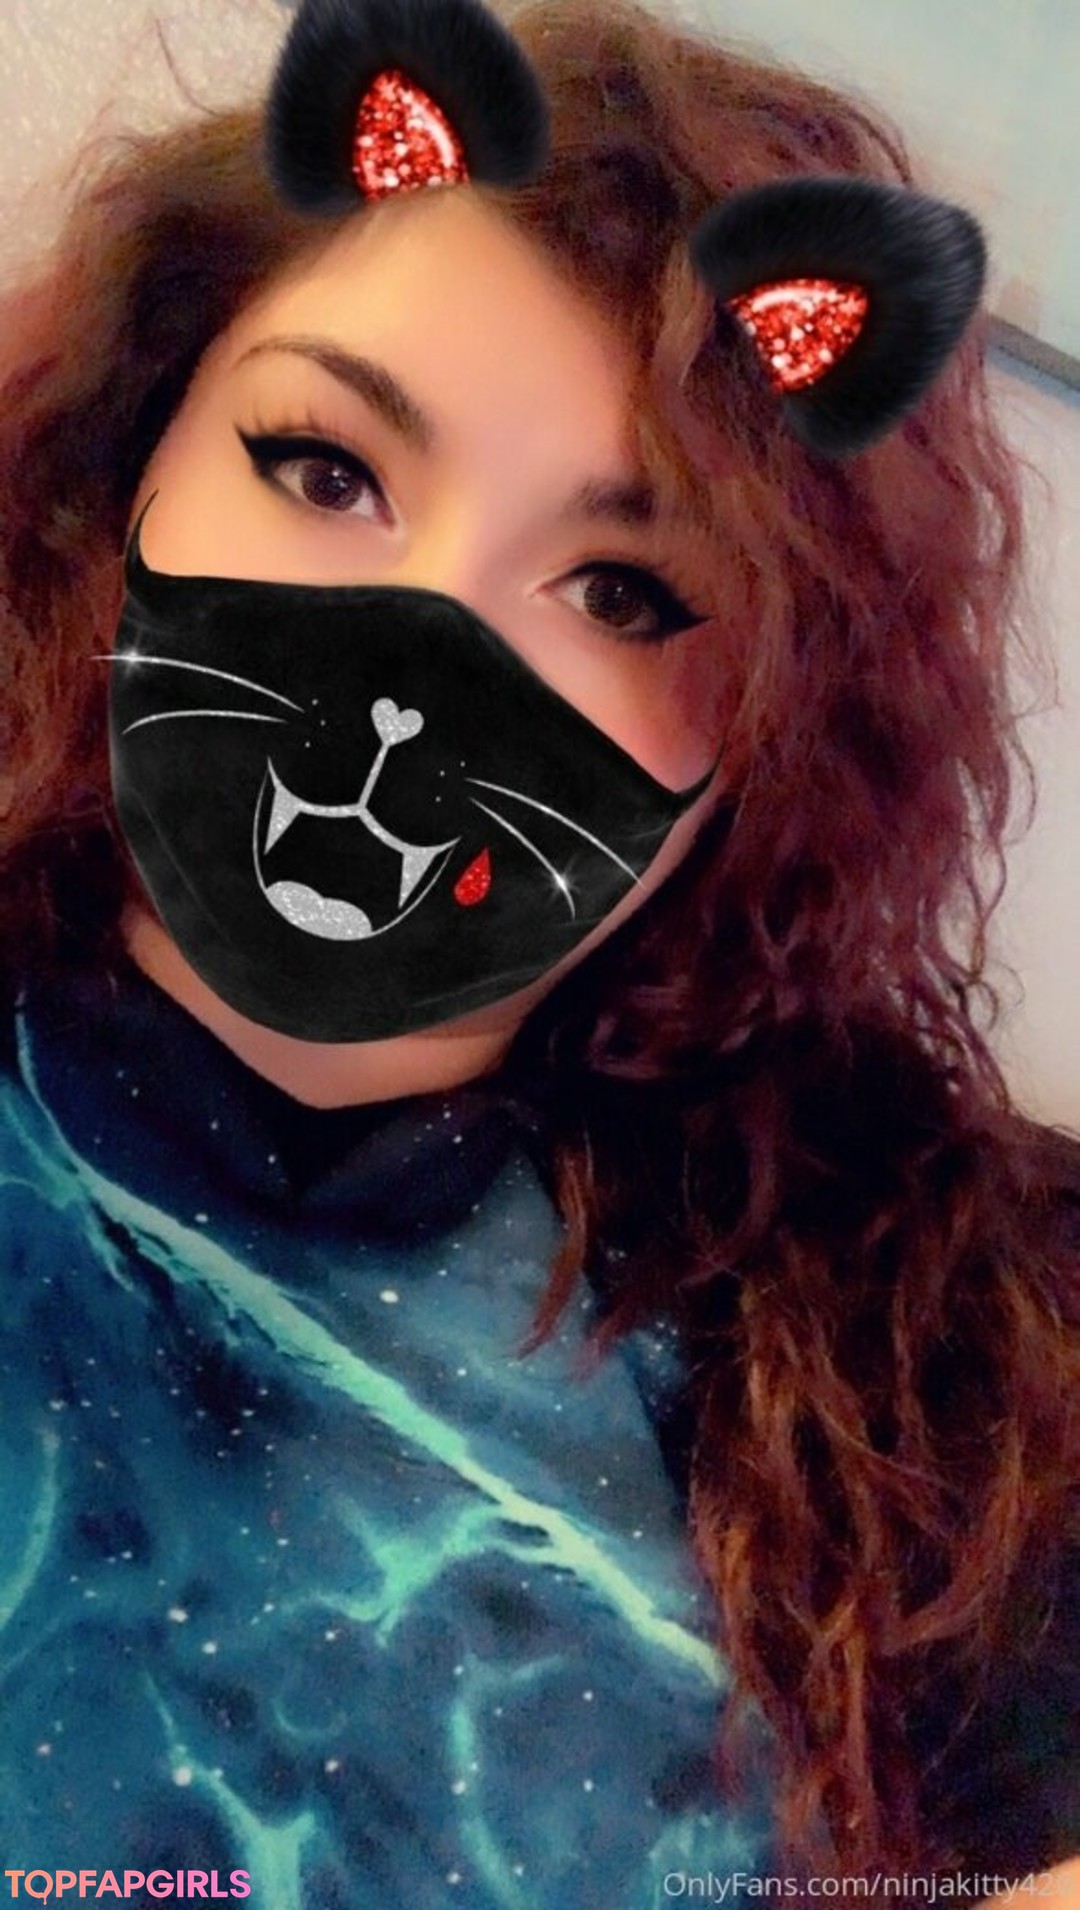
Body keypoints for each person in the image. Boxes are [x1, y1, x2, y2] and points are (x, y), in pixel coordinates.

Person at [0, 0, 1076, 1900]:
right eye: (324, 469)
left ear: (767, 734)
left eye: (623, 589)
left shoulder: (942, 1350)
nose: (414, 672)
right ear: (132, 454)